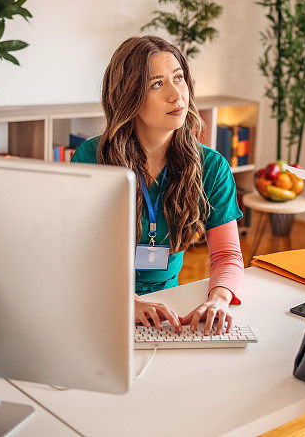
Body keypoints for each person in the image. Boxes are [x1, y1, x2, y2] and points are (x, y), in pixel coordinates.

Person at [72, 36, 244, 336]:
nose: (176, 94)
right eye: (157, 84)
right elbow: (76, 253)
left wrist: (219, 300)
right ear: (130, 97)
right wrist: (127, 301)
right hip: (98, 301)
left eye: (179, 78)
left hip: (165, 307)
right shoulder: (91, 158)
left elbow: (227, 256)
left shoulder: (212, 167)